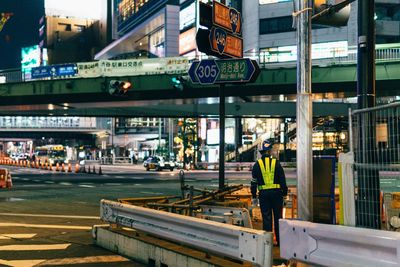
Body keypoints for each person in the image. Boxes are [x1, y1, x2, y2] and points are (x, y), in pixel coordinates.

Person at [251, 139, 288, 245]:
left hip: (264, 196)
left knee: (266, 218)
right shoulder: (276, 163)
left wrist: (254, 196)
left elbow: (253, 183)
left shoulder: (257, 165)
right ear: (268, 151)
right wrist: (284, 194)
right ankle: (280, 242)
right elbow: (282, 180)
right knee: (278, 217)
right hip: (277, 194)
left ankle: (268, 242)